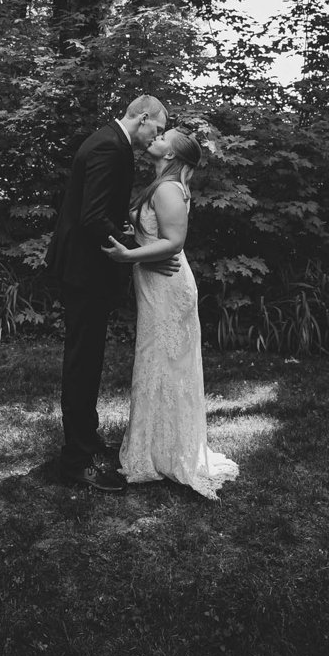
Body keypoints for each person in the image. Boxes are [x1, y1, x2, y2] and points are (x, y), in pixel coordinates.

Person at [46, 94, 172, 492]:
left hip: (86, 268)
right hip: (85, 270)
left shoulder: (109, 141)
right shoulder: (109, 146)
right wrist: (132, 252)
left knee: (89, 357)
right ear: (144, 117)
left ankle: (87, 438)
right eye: (159, 127)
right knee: (83, 362)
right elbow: (93, 217)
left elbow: (95, 211)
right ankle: (75, 460)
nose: (159, 135)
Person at [103, 128, 239, 499]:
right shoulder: (163, 185)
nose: (157, 137)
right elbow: (157, 235)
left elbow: (174, 243)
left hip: (168, 287)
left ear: (172, 154)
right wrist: (138, 234)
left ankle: (167, 451)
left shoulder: (166, 188)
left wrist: (129, 255)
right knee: (157, 362)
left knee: (163, 362)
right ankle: (158, 447)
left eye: (164, 135)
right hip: (156, 281)